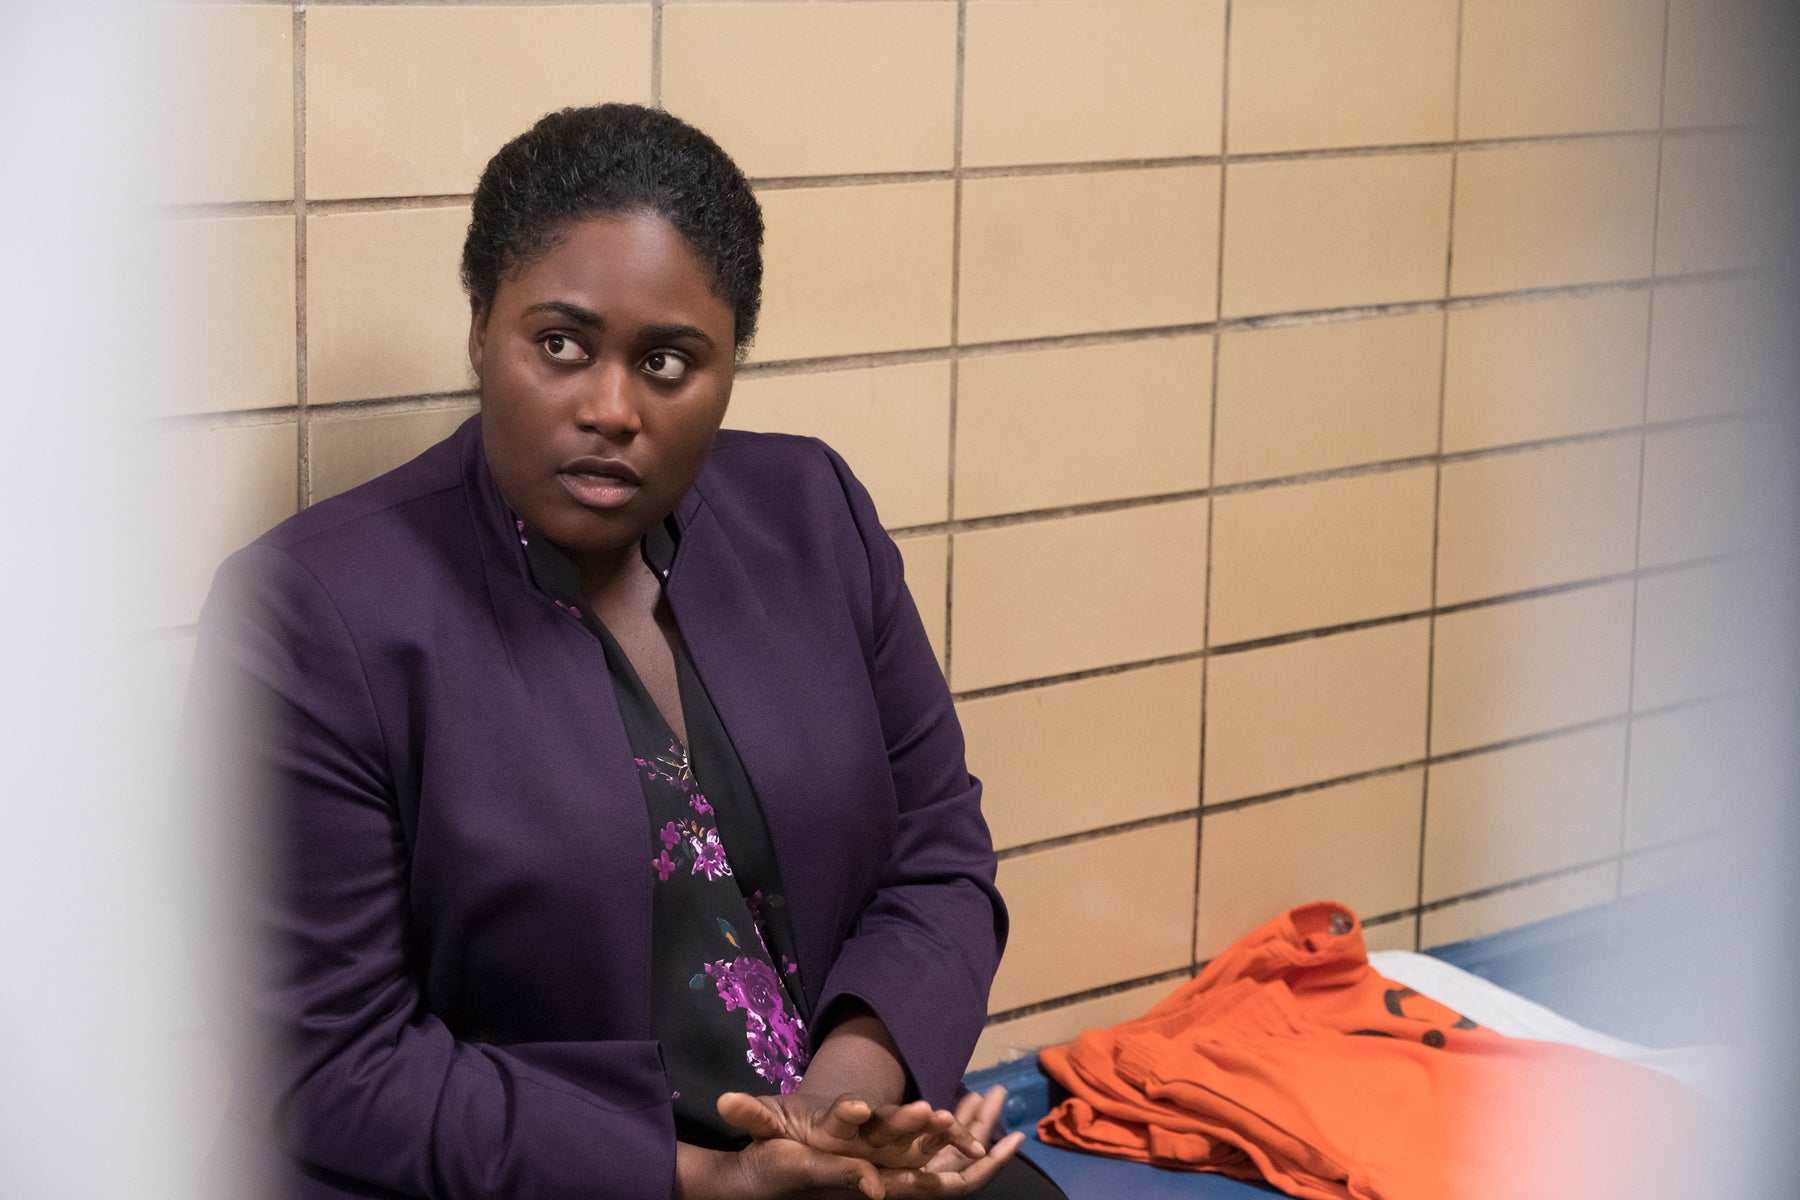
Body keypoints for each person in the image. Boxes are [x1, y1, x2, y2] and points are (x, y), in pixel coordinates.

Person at [186, 103, 1067, 1200]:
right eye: (560, 344)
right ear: (479, 328)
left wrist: (836, 1107)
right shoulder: (312, 612)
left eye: (667, 361)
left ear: (730, 363)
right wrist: (712, 1180)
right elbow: (334, 1063)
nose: (610, 407)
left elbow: (937, 857)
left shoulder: (812, 514)